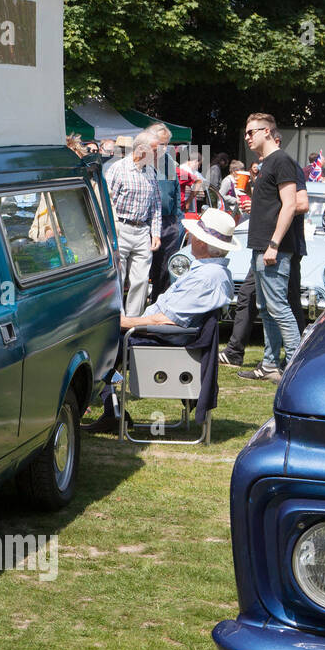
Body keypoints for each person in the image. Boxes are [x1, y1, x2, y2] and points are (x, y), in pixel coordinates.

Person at [85, 207, 237, 432]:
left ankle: (98, 407)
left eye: (195, 235)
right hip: (168, 334)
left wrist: (123, 323)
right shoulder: (211, 271)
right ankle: (111, 411)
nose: (191, 237)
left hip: (169, 339)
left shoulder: (207, 277)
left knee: (97, 342)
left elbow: (166, 321)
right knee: (102, 336)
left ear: (203, 243)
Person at [238, 113, 302, 382]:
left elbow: (291, 205)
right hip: (260, 246)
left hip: (273, 247)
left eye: (251, 132)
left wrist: (274, 244)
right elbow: (274, 204)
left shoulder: (282, 160)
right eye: (246, 133)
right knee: (266, 309)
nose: (247, 137)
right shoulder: (265, 164)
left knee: (279, 308)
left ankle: (298, 368)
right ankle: (269, 365)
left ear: (267, 131)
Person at [105, 132, 161, 316]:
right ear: (141, 150)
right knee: (118, 278)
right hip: (121, 227)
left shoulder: (151, 172)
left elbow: (156, 205)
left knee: (141, 280)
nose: (158, 153)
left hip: (142, 230)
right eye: (155, 149)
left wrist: (156, 233)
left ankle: (133, 321)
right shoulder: (118, 168)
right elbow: (106, 201)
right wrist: (111, 230)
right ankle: (117, 319)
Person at [146, 123, 183, 303]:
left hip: (168, 222)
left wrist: (178, 219)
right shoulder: (141, 161)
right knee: (143, 270)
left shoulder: (168, 162)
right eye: (161, 144)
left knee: (166, 269)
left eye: (167, 144)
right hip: (145, 222)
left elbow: (176, 191)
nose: (165, 148)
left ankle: (160, 306)